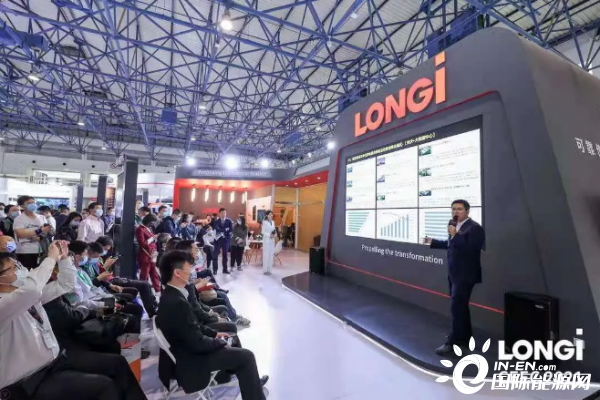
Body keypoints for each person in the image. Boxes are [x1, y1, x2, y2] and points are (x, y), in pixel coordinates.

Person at [0, 241, 147, 400]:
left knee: (117, 363)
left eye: (19, 265)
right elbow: (36, 292)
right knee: (105, 387)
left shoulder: (28, 295)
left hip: (55, 361)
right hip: (30, 381)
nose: (21, 269)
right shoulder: (7, 302)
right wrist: (51, 258)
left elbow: (66, 284)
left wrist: (63, 259)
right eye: (14, 267)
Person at [156, 250, 268, 399]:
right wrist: (219, 342)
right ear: (177, 272)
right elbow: (197, 342)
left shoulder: (171, 295)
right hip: (193, 359)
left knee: (233, 340)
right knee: (247, 357)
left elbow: (193, 327)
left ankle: (242, 378)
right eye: (188, 268)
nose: (191, 272)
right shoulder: (177, 302)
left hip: (188, 350)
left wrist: (215, 334)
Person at [423, 199, 485, 355]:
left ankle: (452, 342)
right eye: (453, 209)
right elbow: (452, 245)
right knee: (461, 307)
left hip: (466, 274)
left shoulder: (475, 228)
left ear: (467, 211)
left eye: (459, 209)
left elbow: (471, 248)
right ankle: (465, 338)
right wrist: (433, 242)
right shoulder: (454, 226)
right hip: (454, 273)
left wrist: (455, 234)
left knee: (456, 308)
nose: (455, 212)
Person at [95, 236, 158, 317]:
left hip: (111, 279)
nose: (105, 252)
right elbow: (99, 277)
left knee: (145, 284)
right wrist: (106, 266)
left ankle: (154, 307)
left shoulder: (99, 258)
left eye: (107, 250)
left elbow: (104, 274)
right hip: (109, 282)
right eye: (105, 249)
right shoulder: (93, 261)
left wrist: (108, 267)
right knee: (144, 285)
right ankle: (152, 312)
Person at [14, 196, 52, 270]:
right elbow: (21, 234)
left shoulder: (42, 217)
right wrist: (39, 230)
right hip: (25, 251)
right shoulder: (19, 219)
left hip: (40, 250)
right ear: (22, 206)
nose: (33, 204)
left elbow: (47, 232)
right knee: (25, 273)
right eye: (29, 203)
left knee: (39, 272)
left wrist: (40, 237)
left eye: (33, 202)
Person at [136, 213, 161, 293]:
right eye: (152, 222)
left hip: (153, 253)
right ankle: (142, 290)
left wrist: (154, 239)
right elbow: (142, 243)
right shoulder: (140, 229)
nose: (153, 224)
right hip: (146, 255)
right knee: (145, 274)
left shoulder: (148, 228)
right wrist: (152, 238)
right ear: (148, 221)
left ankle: (157, 289)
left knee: (154, 273)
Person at [213, 208, 233, 274]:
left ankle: (225, 269)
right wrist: (225, 229)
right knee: (215, 255)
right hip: (217, 241)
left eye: (224, 213)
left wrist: (223, 230)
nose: (223, 214)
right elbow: (216, 229)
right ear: (219, 213)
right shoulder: (216, 221)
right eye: (222, 213)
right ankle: (215, 270)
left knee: (225, 256)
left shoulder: (229, 221)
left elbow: (231, 230)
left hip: (225, 241)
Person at [261, 211, 276, 276]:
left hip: (272, 240)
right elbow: (263, 232)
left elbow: (274, 230)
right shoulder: (264, 222)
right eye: (270, 214)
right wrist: (269, 235)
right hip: (266, 240)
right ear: (267, 215)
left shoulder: (273, 222)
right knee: (266, 255)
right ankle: (265, 270)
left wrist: (274, 234)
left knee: (271, 255)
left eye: (272, 214)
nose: (271, 215)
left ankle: (269, 270)